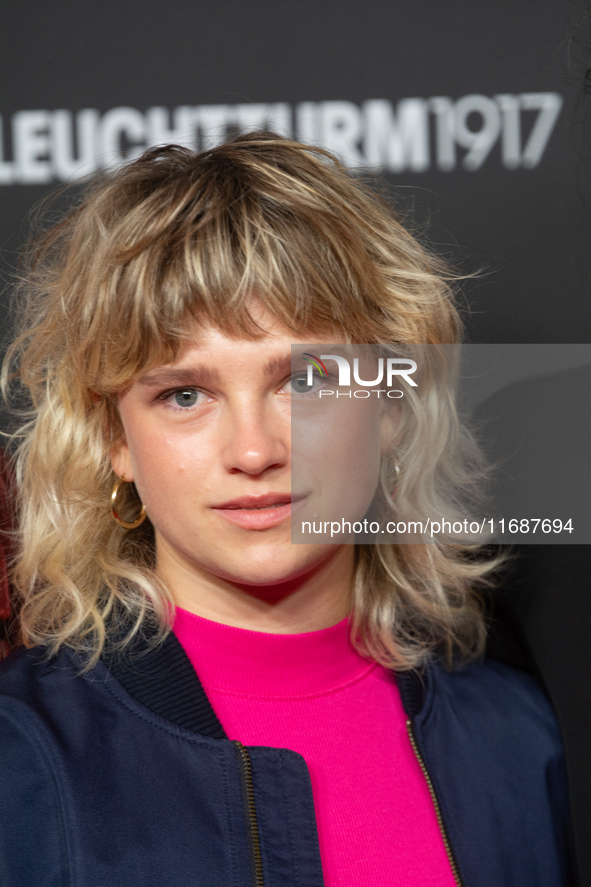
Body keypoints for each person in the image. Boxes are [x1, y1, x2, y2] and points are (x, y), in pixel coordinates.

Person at [0, 132, 571, 887]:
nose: (254, 448)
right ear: (116, 441)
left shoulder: (518, 735)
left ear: (390, 409)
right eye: (184, 394)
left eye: (305, 382)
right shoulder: (18, 754)